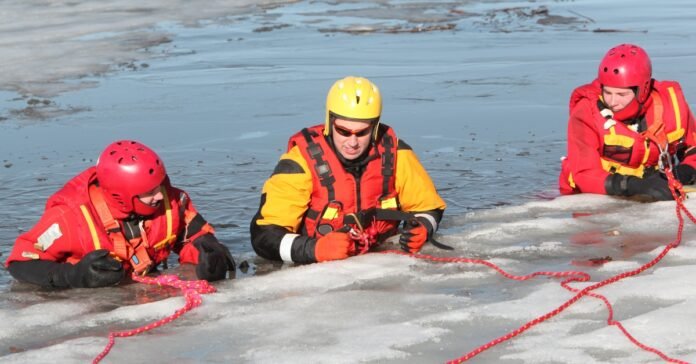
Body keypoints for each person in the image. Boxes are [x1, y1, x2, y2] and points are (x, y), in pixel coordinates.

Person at [250, 76, 446, 264]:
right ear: (329, 122)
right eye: (343, 131)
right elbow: (264, 235)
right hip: (315, 268)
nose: (352, 142)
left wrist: (424, 227)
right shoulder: (299, 163)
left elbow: (429, 207)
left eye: (362, 133)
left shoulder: (397, 154)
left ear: (375, 127)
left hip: (382, 261)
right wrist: (314, 249)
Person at [6, 140, 235, 288]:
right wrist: (73, 276)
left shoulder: (172, 200)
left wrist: (209, 257)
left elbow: (195, 237)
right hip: (91, 308)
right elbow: (19, 262)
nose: (159, 196)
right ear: (123, 194)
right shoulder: (70, 216)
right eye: (149, 192)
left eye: (160, 185)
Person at [559, 43, 696, 201]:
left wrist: (683, 173)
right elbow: (583, 173)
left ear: (642, 90)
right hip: (597, 197)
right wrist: (635, 186)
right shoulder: (586, 112)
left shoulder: (672, 105)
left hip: (659, 187)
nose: (612, 101)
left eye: (622, 95)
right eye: (607, 92)